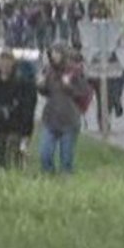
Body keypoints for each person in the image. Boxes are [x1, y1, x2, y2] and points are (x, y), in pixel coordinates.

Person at [36, 43, 89, 175]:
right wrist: (40, 85)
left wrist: (68, 86)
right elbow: (47, 92)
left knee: (66, 160)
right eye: (52, 53)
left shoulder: (74, 72)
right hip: (51, 119)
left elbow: (83, 92)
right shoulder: (48, 71)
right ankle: (48, 177)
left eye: (57, 53)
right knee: (45, 154)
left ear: (63, 55)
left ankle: (65, 182)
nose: (54, 56)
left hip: (69, 121)